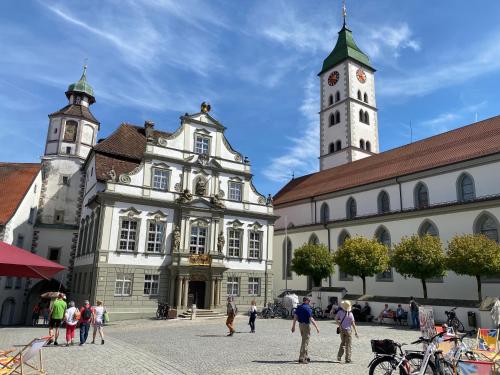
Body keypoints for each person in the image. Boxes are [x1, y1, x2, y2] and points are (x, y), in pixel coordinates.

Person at [291, 296, 319, 364]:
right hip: (306, 325)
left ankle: (306, 356)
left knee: (305, 340)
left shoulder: (299, 307)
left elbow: (295, 317)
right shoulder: (308, 308)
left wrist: (293, 326)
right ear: (306, 301)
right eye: (309, 301)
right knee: (305, 342)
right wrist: (317, 327)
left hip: (300, 325)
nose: (309, 302)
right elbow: (311, 318)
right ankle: (301, 358)